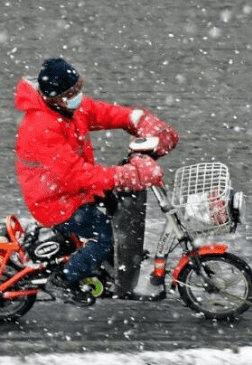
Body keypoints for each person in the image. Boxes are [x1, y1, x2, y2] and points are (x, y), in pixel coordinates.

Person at [14, 58, 179, 305]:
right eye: (71, 94)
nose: (78, 97)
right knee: (104, 235)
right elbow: (76, 175)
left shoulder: (64, 108)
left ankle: (105, 262)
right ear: (54, 97)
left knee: (113, 204)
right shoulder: (42, 127)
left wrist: (137, 119)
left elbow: (102, 112)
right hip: (54, 199)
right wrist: (125, 175)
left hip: (70, 191)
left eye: (78, 90)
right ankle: (63, 278)